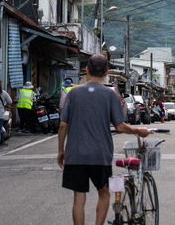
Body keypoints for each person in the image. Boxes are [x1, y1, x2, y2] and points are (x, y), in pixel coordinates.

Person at [58, 54, 151, 225]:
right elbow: (120, 126)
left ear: (86, 70)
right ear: (107, 72)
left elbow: (63, 125)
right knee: (104, 193)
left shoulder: (73, 93)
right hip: (100, 155)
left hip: (75, 155)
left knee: (79, 198)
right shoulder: (110, 95)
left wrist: (61, 151)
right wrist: (139, 130)